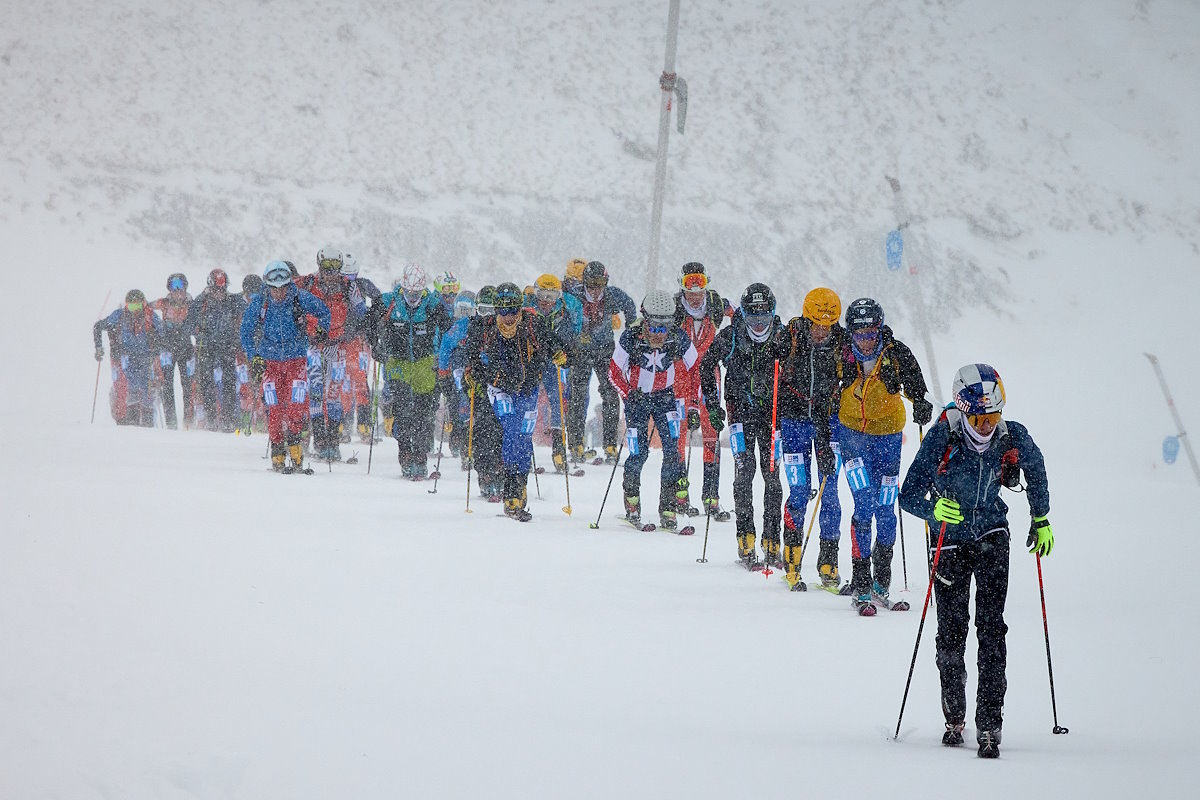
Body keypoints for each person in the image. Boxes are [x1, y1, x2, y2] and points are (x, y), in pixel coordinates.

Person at [899, 363, 1051, 759]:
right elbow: (909, 494)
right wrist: (935, 511)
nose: (986, 426)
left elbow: (1036, 471)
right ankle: (954, 717)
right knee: (951, 633)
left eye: (993, 416)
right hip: (948, 541)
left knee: (991, 630)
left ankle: (990, 722)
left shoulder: (1011, 436)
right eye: (979, 417)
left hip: (992, 537)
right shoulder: (943, 436)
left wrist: (1041, 517)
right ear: (963, 411)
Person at [835, 297, 934, 614]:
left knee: (886, 506)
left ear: (880, 328)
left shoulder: (896, 353)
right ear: (850, 331)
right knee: (863, 501)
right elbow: (822, 390)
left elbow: (918, 385)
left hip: (888, 437)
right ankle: (861, 583)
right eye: (859, 333)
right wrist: (825, 437)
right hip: (851, 435)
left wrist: (921, 403)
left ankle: (882, 581)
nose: (865, 339)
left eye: (871, 332)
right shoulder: (841, 354)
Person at [700, 283, 790, 569]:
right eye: (753, 319)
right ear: (744, 316)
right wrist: (713, 406)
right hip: (740, 416)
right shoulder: (731, 336)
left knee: (772, 477)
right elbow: (706, 366)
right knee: (744, 473)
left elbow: (800, 366)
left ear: (772, 314)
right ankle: (745, 537)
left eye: (764, 319)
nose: (759, 325)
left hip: (772, 417)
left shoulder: (783, 336)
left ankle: (772, 540)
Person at [464, 282, 563, 520]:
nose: (508, 318)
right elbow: (471, 354)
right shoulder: (484, 327)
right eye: (503, 312)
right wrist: (473, 373)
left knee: (524, 436)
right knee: (511, 431)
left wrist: (562, 354)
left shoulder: (533, 324)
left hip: (528, 389)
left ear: (520, 309)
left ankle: (521, 483)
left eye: (513, 311)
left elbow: (556, 344)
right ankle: (511, 491)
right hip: (498, 389)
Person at [776, 287, 849, 591]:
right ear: (807, 319)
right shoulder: (791, 334)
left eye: (828, 326)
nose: (822, 332)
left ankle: (828, 563)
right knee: (800, 489)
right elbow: (770, 364)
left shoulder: (842, 341)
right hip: (793, 422)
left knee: (829, 491)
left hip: (829, 422)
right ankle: (792, 558)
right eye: (817, 325)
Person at [610, 289, 698, 530]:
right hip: (637, 400)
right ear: (644, 319)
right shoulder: (630, 338)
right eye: (655, 326)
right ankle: (632, 503)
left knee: (672, 452)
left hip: (665, 399)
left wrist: (693, 406)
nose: (660, 333)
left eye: (665, 326)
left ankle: (667, 508)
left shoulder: (678, 338)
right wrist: (629, 394)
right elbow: (613, 372)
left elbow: (697, 369)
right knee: (639, 453)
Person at [239, 261, 330, 473]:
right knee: (275, 408)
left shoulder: (299, 298)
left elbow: (324, 311)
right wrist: (254, 357)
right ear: (267, 286)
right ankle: (278, 452)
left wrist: (321, 332)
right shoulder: (260, 303)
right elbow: (245, 332)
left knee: (297, 405)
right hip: (269, 363)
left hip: (296, 361)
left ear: (289, 284)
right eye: (274, 288)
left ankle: (296, 447)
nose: (279, 293)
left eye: (283, 287)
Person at [375, 264, 452, 479]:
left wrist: (446, 358)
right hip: (397, 364)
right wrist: (376, 345)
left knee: (423, 414)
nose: (412, 297)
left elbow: (448, 331)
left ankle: (420, 458)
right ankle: (405, 456)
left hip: (424, 364)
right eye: (409, 293)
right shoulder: (389, 301)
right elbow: (369, 323)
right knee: (403, 411)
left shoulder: (432, 304)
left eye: (416, 293)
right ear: (403, 287)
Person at [671, 262, 733, 519]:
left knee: (711, 432)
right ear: (681, 285)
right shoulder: (674, 307)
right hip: (680, 374)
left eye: (699, 286)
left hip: (708, 373)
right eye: (689, 286)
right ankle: (679, 496)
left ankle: (711, 496)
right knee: (680, 434)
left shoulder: (717, 304)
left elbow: (742, 315)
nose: (695, 294)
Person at [294, 245, 365, 461]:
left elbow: (362, 311)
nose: (331, 274)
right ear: (320, 266)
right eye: (327, 268)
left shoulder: (348, 286)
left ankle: (333, 441)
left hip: (337, 344)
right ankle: (319, 441)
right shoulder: (307, 283)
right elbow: (288, 296)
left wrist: (354, 328)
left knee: (334, 393)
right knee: (316, 390)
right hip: (314, 344)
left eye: (335, 269)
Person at [565, 261, 637, 465]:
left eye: (600, 284)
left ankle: (610, 445)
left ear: (606, 282)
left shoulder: (612, 295)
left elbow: (629, 304)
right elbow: (560, 307)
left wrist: (631, 330)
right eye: (591, 284)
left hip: (605, 350)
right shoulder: (575, 296)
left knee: (611, 393)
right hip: (579, 351)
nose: (596, 289)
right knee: (578, 395)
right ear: (584, 282)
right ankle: (576, 443)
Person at [525, 273, 581, 473]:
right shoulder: (527, 304)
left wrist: (567, 352)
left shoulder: (568, 306)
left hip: (554, 359)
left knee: (558, 398)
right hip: (531, 360)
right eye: (542, 295)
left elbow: (575, 331)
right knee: (528, 400)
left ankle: (558, 448)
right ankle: (525, 447)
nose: (546, 301)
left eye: (552, 296)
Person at [186, 269, 246, 431]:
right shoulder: (201, 301)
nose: (220, 293)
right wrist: (197, 332)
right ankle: (211, 417)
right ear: (210, 287)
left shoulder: (233, 300)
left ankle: (228, 418)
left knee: (229, 382)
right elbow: (189, 323)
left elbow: (248, 310)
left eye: (222, 289)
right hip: (206, 347)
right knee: (206, 381)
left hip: (227, 346)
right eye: (216, 289)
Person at [94, 289, 165, 427]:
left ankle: (148, 423)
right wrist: (98, 347)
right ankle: (131, 423)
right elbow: (98, 326)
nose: (135, 311)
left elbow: (163, 334)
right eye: (131, 306)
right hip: (127, 357)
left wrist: (157, 344)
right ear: (126, 305)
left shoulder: (150, 316)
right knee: (131, 389)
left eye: (138, 306)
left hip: (146, 357)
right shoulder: (120, 315)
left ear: (143, 304)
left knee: (147, 391)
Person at [341, 250, 384, 443]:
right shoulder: (335, 287)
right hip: (340, 340)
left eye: (352, 276)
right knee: (342, 383)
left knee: (360, 382)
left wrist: (372, 320)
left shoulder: (363, 284)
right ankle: (343, 425)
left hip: (359, 340)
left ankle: (364, 426)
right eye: (346, 276)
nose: (349, 280)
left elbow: (380, 301)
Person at [437, 289, 477, 466]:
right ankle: (462, 445)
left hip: (476, 371)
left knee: (474, 409)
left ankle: (470, 445)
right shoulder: (455, 329)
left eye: (466, 311)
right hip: (458, 372)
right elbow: (445, 350)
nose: (463, 315)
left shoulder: (478, 326)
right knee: (460, 405)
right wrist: (443, 372)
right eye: (460, 311)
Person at [150, 273, 195, 429]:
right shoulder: (164, 302)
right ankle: (171, 422)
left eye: (180, 287)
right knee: (167, 384)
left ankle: (189, 421)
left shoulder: (192, 304)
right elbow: (146, 307)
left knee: (188, 385)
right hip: (167, 349)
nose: (177, 292)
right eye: (173, 288)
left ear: (185, 288)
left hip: (186, 349)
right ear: (169, 289)